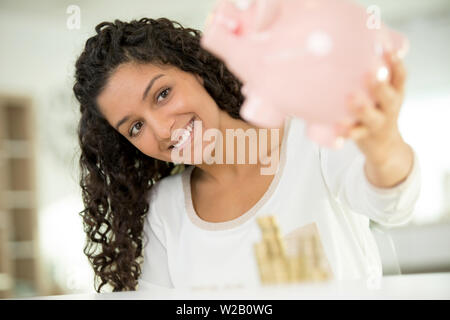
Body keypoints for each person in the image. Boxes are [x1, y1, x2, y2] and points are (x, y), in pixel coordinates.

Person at [73, 18, 420, 292]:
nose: (162, 130)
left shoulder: (310, 137)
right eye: (135, 127)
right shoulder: (165, 211)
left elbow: (391, 205)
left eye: (162, 94)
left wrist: (384, 147)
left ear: (195, 69)